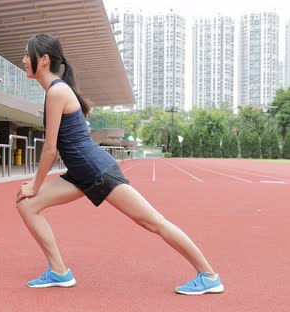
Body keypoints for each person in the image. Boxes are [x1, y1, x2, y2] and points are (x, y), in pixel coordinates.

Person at [15, 34, 224, 295]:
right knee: (27, 205)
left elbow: (49, 148)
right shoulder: (54, 91)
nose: (23, 60)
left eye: (26, 54)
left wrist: (36, 184)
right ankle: (59, 271)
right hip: (81, 173)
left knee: (152, 222)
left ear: (43, 60)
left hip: (97, 171)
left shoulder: (57, 91)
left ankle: (208, 275)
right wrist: (35, 188)